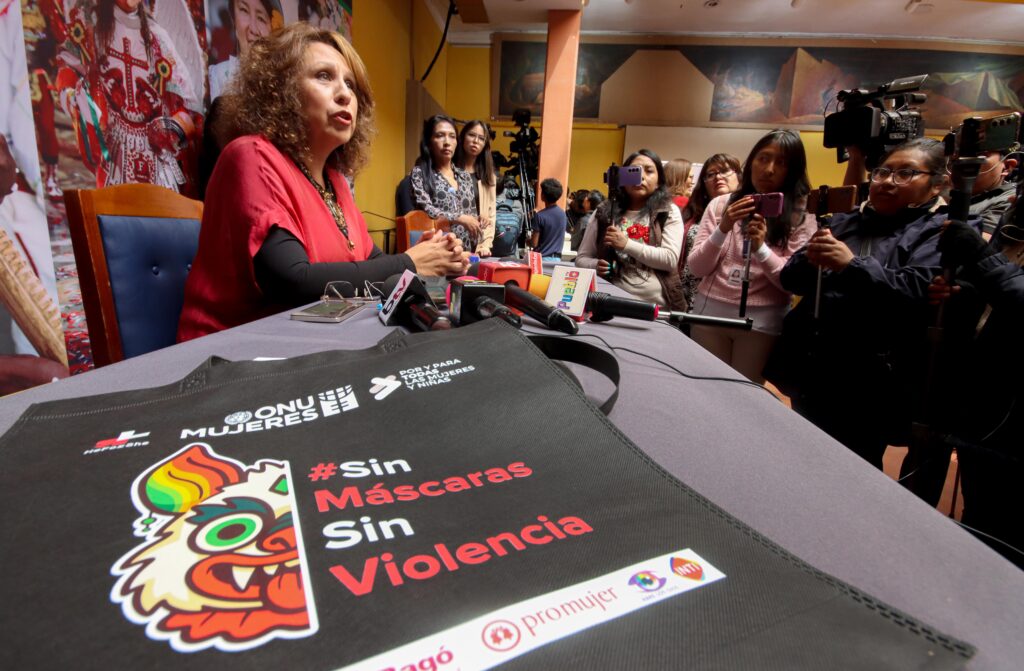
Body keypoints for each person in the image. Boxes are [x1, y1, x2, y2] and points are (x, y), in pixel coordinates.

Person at [178, 25, 466, 341]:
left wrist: (431, 254)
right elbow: (292, 282)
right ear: (280, 90)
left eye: (350, 84)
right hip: (227, 351)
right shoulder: (251, 156)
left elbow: (372, 262)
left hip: (305, 341)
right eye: (324, 76)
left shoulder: (335, 181)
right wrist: (411, 262)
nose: (345, 94)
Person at [765, 137, 958, 469]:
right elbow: (791, 280)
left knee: (853, 468)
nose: (887, 182)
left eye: (905, 173)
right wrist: (809, 260)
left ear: (937, 184)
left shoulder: (940, 231)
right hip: (814, 367)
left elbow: (916, 292)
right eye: (882, 172)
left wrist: (850, 265)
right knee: (798, 456)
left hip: (872, 381)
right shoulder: (844, 221)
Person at [926, 209, 1024, 568]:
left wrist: (983, 257)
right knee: (980, 527)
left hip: (1014, 426)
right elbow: (997, 298)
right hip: (985, 407)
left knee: (1008, 543)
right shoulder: (1016, 214)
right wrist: (962, 293)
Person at [687, 131, 815, 383]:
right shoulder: (721, 204)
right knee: (704, 390)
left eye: (781, 162)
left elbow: (790, 282)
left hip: (761, 322)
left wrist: (760, 249)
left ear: (793, 170)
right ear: (751, 161)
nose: (769, 169)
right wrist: (723, 227)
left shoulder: (803, 214)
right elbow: (696, 268)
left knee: (744, 394)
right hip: (709, 314)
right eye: (763, 158)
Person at [56, 0, 203, 192]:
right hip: (113, 154)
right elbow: (67, 68)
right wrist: (75, 99)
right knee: (113, 207)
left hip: (157, 164)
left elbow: (190, 109)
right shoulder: (91, 26)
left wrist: (170, 129)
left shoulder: (158, 39)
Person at [576, 149, 686, 310]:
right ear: (621, 177)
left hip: (657, 307)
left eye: (649, 171)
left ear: (659, 181)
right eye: (634, 171)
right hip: (610, 303)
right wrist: (595, 265)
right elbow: (581, 258)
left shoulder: (667, 211)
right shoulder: (604, 211)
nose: (641, 177)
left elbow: (669, 260)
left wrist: (626, 244)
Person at [409, 114, 483, 253]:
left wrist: (478, 220)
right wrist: (458, 218)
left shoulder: (465, 176)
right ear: (429, 142)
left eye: (452, 136)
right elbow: (426, 210)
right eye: (440, 135)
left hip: (467, 253)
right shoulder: (420, 173)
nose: (447, 142)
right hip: (437, 251)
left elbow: (470, 215)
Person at [678, 154, 742, 308]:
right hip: (686, 293)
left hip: (725, 297)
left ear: (739, 176)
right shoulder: (691, 212)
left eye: (724, 171)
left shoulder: (747, 212)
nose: (718, 177)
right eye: (711, 174)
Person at [208, 0, 282, 101]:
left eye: (261, 18)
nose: (253, 29)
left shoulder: (285, 79)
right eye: (244, 10)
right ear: (233, 19)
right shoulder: (218, 76)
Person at [454, 120, 497, 257]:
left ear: (485, 144)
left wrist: (485, 245)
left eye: (481, 138)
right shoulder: (449, 170)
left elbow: (491, 215)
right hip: (452, 241)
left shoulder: (488, 176)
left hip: (476, 246)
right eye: (471, 135)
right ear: (462, 137)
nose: (475, 141)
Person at [531, 178, 568, 261]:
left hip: (541, 259)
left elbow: (534, 243)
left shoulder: (539, 216)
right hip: (557, 259)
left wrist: (528, 240)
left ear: (543, 195)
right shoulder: (563, 214)